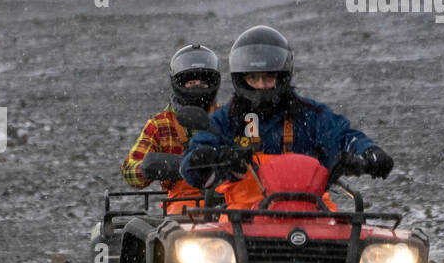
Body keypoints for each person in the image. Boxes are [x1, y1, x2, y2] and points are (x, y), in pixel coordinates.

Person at [180, 25, 392, 204]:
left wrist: (368, 153)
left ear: (282, 77)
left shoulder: (311, 115)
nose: (261, 86)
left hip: (310, 214)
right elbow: (191, 168)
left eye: (269, 77)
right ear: (240, 79)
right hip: (243, 219)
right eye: (253, 78)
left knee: (366, 248)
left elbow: (344, 136)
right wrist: (214, 158)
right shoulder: (225, 120)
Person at [121, 43, 221, 213]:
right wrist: (157, 167)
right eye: (191, 82)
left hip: (227, 203)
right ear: (179, 84)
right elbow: (129, 170)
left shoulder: (226, 119)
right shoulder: (160, 124)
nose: (197, 86)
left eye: (203, 82)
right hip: (182, 209)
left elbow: (254, 156)